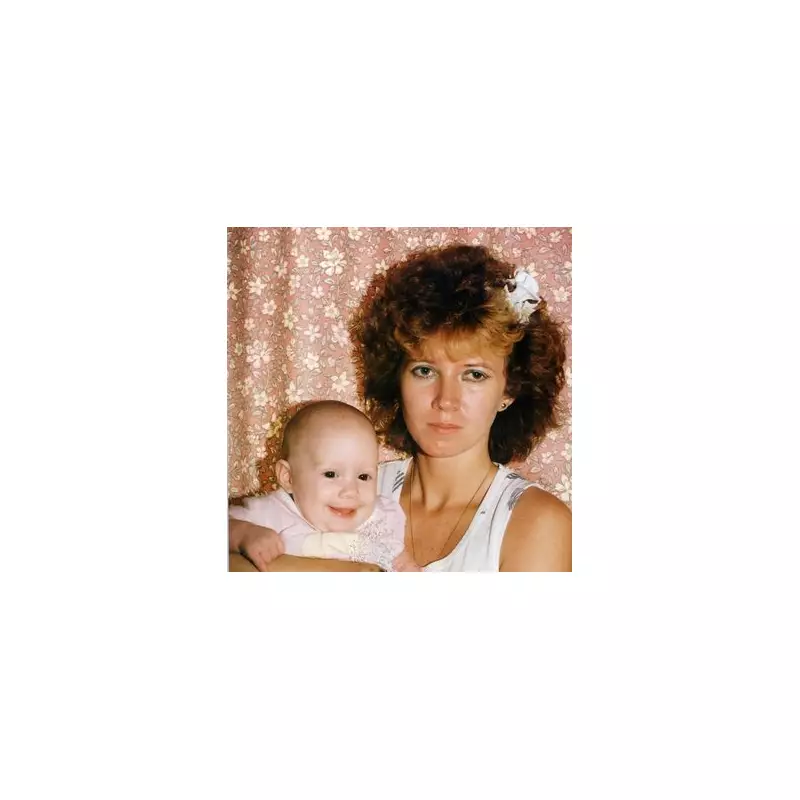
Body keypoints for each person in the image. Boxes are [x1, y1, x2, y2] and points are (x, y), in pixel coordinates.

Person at [347, 243, 571, 571]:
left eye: (474, 375)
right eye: (425, 371)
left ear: (509, 390)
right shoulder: (347, 493)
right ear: (396, 379)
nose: (446, 400)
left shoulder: (538, 524)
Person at [228, 400, 419, 571]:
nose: (350, 491)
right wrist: (244, 534)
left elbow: (399, 560)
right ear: (288, 477)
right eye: (331, 474)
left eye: (363, 476)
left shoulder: (380, 519)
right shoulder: (271, 512)